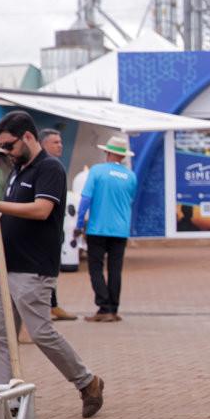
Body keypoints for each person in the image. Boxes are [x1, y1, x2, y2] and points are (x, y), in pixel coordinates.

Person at [0, 111, 104, 417]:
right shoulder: (16, 169)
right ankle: (4, 406)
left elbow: (41, 210)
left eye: (9, 145)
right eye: (2, 148)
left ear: (28, 137)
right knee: (0, 337)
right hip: (4, 264)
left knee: (41, 332)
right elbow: (4, 215)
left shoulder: (49, 168)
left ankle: (87, 381)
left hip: (33, 267)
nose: (7, 153)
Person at [75, 134, 138, 323]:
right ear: (123, 156)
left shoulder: (97, 171)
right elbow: (131, 199)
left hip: (97, 228)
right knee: (115, 269)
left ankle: (103, 307)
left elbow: (85, 199)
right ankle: (113, 308)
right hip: (120, 229)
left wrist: (79, 224)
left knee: (95, 268)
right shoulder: (130, 176)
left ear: (108, 152)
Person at [37, 128, 76, 322]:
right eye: (55, 142)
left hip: (54, 230)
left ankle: (53, 305)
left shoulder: (55, 165)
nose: (60, 145)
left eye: (60, 142)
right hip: (40, 232)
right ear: (42, 144)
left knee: (52, 269)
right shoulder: (42, 167)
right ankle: (47, 308)